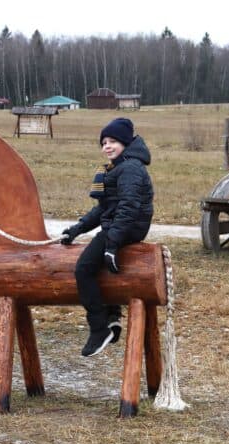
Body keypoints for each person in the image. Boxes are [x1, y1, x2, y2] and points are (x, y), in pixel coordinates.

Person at [60, 118, 154, 357]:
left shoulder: (130, 168)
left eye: (112, 141)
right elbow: (104, 209)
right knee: (97, 266)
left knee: (83, 269)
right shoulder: (119, 167)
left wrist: (112, 243)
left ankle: (99, 328)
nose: (107, 147)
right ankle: (112, 317)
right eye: (103, 142)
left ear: (125, 142)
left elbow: (129, 208)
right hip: (120, 226)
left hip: (127, 227)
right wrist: (78, 229)